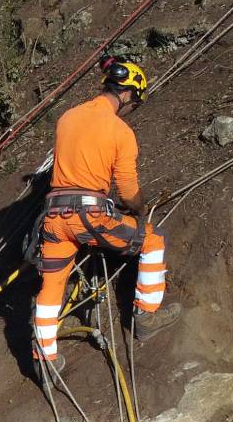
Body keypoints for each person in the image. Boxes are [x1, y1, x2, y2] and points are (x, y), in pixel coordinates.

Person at [32, 56, 181, 368]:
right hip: (89, 216)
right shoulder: (119, 131)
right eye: (134, 103)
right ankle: (146, 319)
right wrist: (139, 209)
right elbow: (127, 190)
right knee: (153, 240)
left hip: (54, 218)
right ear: (126, 94)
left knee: (52, 284)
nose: (131, 110)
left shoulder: (68, 117)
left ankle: (45, 359)